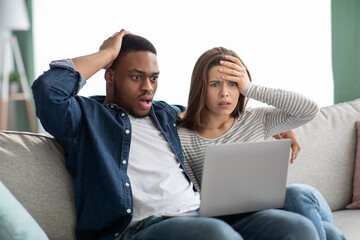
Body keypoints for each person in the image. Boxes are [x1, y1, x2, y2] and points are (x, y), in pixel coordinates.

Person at [32, 30, 321, 240]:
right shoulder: (84, 118)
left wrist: (280, 126)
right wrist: (107, 54)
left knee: (297, 228)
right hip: (141, 228)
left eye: (154, 78)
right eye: (136, 77)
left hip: (202, 213)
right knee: (217, 235)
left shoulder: (166, 115)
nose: (148, 87)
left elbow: (212, 114)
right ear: (110, 76)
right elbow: (49, 92)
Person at [178, 47, 346, 240]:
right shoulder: (184, 137)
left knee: (298, 194)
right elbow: (193, 194)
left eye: (233, 84)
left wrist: (251, 88)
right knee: (330, 233)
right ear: (201, 88)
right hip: (239, 221)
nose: (225, 93)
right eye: (215, 84)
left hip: (280, 208)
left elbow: (309, 109)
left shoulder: (257, 119)